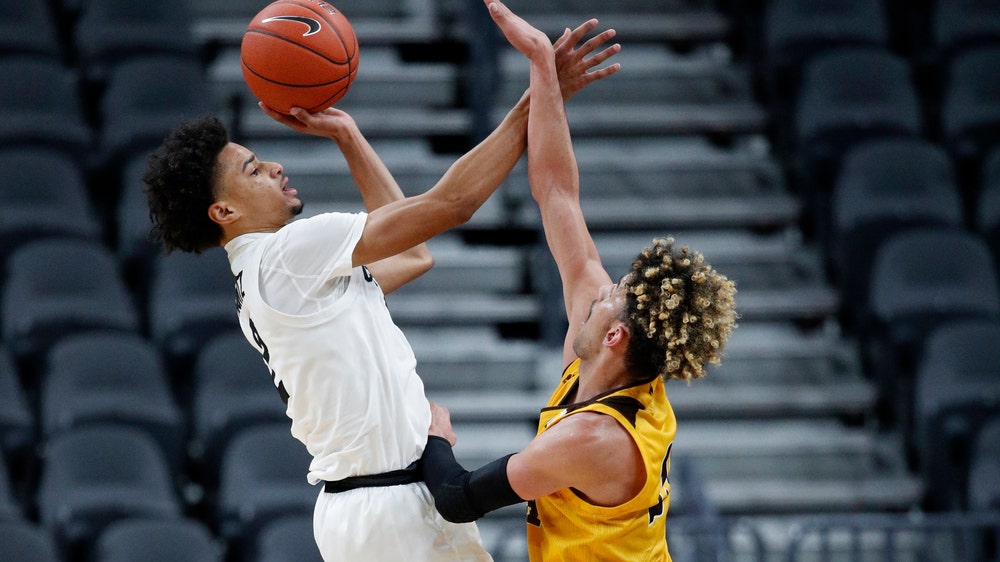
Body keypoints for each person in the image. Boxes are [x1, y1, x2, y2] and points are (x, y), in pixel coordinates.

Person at [141, 14, 620, 562]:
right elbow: (450, 205)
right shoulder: (286, 255)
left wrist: (347, 134)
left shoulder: (270, 275)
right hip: (388, 509)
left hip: (378, 506)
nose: (274, 166)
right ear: (223, 211)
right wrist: (537, 94)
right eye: (252, 171)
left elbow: (414, 256)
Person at [420, 2, 739, 561]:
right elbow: (557, 191)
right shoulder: (619, 360)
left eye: (610, 299)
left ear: (615, 337)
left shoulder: (592, 439)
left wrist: (434, 437)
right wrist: (544, 71)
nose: (600, 293)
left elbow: (456, 496)